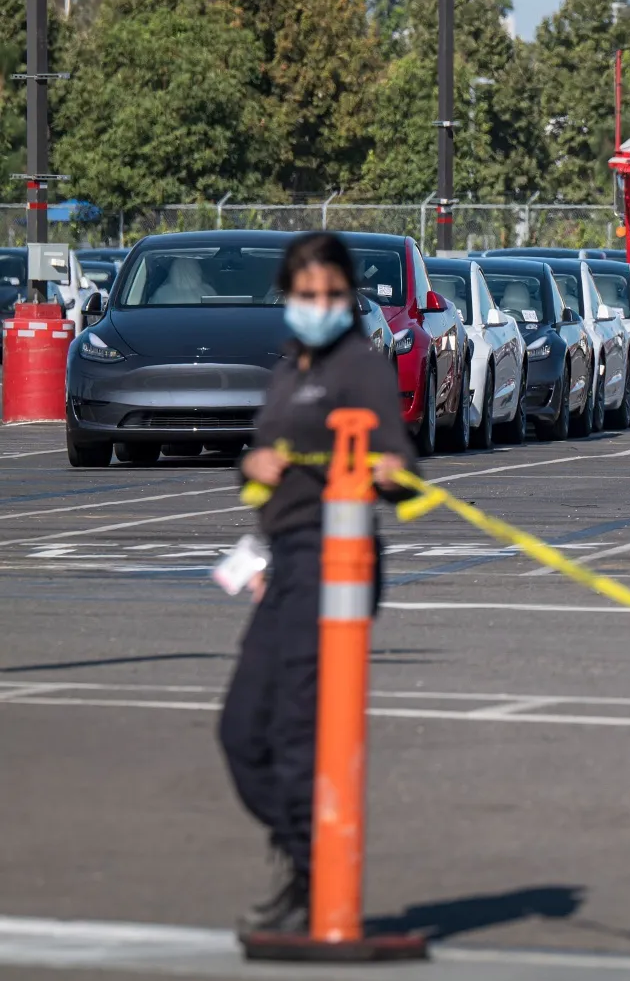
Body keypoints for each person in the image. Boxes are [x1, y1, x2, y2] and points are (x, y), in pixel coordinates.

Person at [218, 232, 413, 936]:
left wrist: (396, 478)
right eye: (308, 294)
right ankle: (306, 855)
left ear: (348, 297)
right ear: (288, 296)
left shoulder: (359, 366)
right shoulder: (288, 369)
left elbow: (405, 474)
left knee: (299, 731)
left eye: (334, 294)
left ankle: (318, 876)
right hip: (285, 560)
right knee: (242, 731)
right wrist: (253, 471)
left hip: (336, 560)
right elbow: (259, 470)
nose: (321, 305)